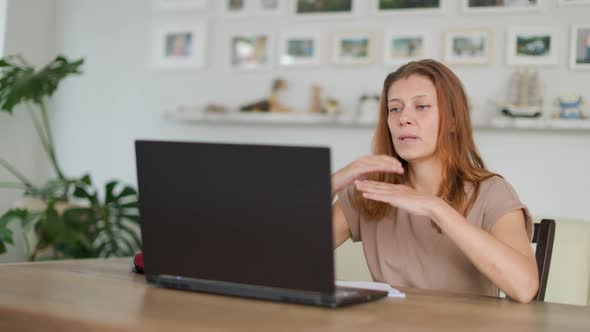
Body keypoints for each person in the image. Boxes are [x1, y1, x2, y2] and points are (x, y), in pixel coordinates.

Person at [331, 59, 539, 303]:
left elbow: (524, 288)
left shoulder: (492, 192)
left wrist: (435, 208)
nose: (403, 118)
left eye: (421, 106)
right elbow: (288, 259)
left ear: (452, 120)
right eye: (395, 108)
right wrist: (330, 183)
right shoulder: (370, 192)